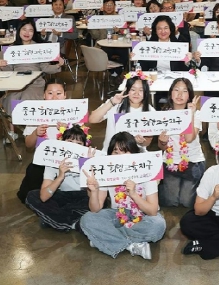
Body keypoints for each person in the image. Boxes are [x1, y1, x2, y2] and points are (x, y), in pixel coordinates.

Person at [79, 131, 166, 260]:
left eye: (125, 151)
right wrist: (94, 191)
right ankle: (132, 245)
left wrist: (134, 194)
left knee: (158, 224)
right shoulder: (106, 171)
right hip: (118, 214)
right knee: (87, 219)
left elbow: (152, 211)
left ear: (134, 153)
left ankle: (106, 238)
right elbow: (95, 209)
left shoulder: (147, 170)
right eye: (116, 152)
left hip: (144, 216)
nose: (120, 156)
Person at [24, 125, 94, 231]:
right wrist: (60, 177)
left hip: (83, 196)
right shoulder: (52, 161)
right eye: (70, 142)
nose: (74, 146)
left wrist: (88, 167)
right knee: (32, 196)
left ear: (85, 146)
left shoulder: (90, 160)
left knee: (99, 203)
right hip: (63, 196)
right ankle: (73, 222)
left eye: (79, 143)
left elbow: (93, 196)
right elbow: (44, 196)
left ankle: (56, 219)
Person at [0, 18, 64, 115]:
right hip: (16, 83)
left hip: (35, 83)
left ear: (34, 32)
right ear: (19, 30)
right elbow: (8, 72)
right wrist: (2, 65)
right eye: (24, 29)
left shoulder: (39, 48)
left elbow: (45, 68)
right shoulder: (9, 50)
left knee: (27, 98)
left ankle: (30, 123)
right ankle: (14, 123)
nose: (27, 33)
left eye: (30, 30)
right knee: (12, 99)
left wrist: (58, 65)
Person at [16, 79, 69, 202]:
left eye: (59, 93)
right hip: (43, 162)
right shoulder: (36, 114)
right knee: (29, 196)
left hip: (66, 163)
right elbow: (28, 145)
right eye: (50, 93)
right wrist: (36, 133)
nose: (54, 97)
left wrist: (68, 131)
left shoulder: (74, 114)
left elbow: (83, 144)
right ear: (44, 95)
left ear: (65, 95)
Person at [157, 78, 204, 208]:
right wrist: (162, 142)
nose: (179, 94)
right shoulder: (164, 115)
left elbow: (189, 139)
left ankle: (200, 186)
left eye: (184, 91)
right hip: (170, 162)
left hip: (192, 162)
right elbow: (161, 146)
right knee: (170, 202)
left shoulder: (196, 114)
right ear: (171, 93)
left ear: (189, 95)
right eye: (176, 90)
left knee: (186, 202)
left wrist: (190, 114)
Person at [89, 73, 155, 153]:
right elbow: (92, 119)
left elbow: (148, 141)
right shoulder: (115, 104)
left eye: (141, 90)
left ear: (146, 92)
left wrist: (141, 142)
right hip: (112, 153)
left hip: (135, 154)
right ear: (127, 90)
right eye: (133, 89)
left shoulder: (150, 111)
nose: (136, 93)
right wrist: (112, 102)